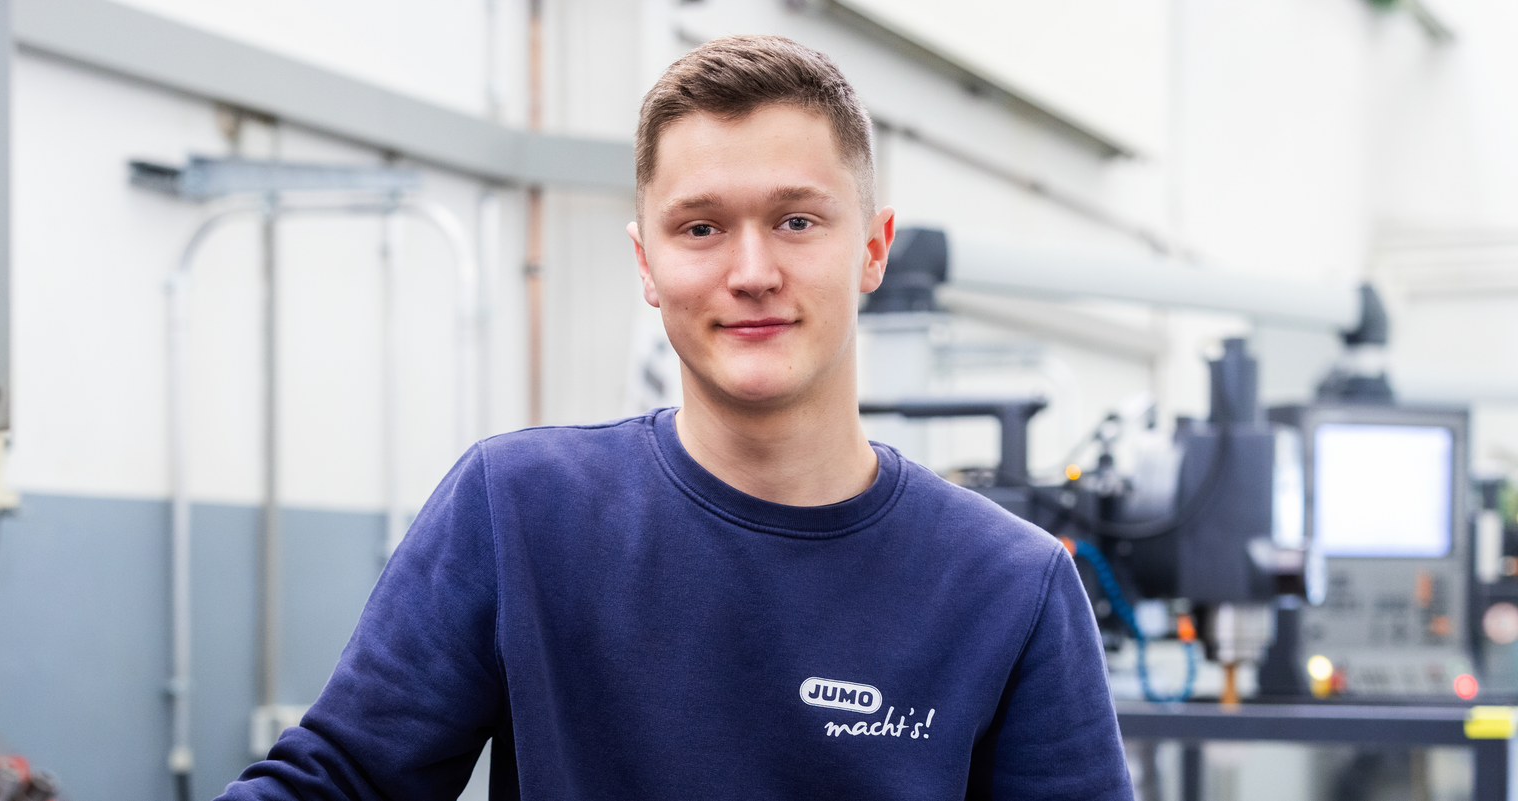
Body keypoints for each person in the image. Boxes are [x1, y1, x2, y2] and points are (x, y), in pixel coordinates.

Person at [219, 34, 1129, 800]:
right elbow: (340, 781)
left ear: (873, 249)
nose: (752, 272)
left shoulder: (1011, 588)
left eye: (797, 221)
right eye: (700, 228)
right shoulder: (518, 511)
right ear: (646, 263)